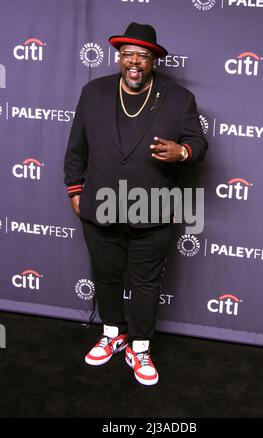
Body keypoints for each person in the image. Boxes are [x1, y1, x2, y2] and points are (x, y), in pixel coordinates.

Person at [64, 22, 208, 386]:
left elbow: (199, 144)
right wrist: (75, 191)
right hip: (100, 207)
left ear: (153, 61)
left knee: (146, 284)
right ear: (119, 57)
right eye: (128, 54)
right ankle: (113, 332)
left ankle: (139, 346)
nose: (134, 62)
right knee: (106, 276)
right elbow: (76, 149)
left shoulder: (178, 99)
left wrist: (183, 151)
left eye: (142, 56)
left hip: (153, 208)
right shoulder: (93, 92)